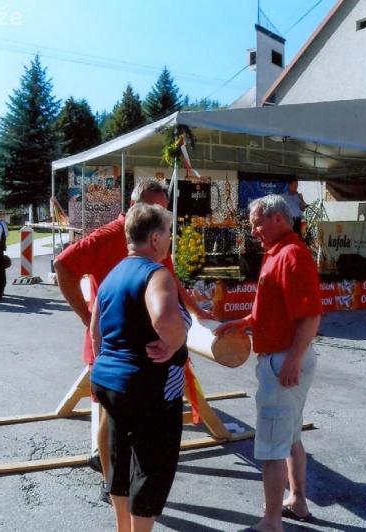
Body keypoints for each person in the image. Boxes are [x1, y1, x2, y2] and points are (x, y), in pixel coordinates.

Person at [54, 179, 213, 502]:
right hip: (111, 342)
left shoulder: (154, 237)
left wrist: (196, 312)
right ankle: (110, 478)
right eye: (155, 207)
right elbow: (63, 264)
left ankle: (125, 482)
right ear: (134, 206)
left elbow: (169, 279)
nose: (161, 213)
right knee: (110, 415)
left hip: (142, 346)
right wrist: (86, 317)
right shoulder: (111, 235)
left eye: (164, 208)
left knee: (131, 419)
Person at [215, 194, 321, 532]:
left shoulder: (290, 255)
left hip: (283, 360)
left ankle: (272, 522)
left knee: (272, 446)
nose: (253, 231)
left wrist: (292, 360)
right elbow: (277, 309)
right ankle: (297, 502)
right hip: (286, 358)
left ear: (278, 219)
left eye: (257, 224)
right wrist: (246, 321)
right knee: (289, 436)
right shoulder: (280, 252)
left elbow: (310, 317)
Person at [90, 203, 190, 531]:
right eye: (169, 233)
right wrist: (176, 339)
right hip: (148, 389)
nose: (171, 239)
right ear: (155, 238)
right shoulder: (156, 274)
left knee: (120, 463)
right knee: (150, 470)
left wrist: (111, 363)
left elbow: (95, 331)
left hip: (109, 383)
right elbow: (164, 318)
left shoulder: (112, 275)